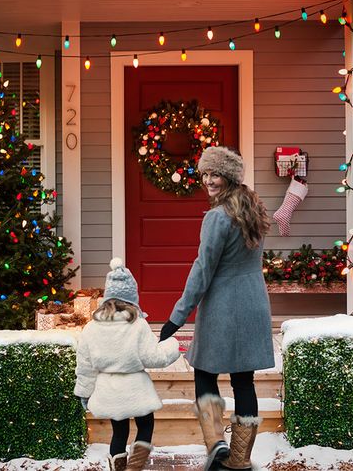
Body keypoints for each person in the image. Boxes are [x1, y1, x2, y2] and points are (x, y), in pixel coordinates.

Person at [160, 146, 275, 471]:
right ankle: (239, 459)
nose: (209, 180)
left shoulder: (217, 217)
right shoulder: (253, 209)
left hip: (225, 307)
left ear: (229, 177)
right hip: (253, 301)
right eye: (205, 174)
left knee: (204, 373)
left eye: (215, 174)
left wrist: (176, 316)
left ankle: (217, 447)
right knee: (243, 381)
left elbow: (203, 269)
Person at [75, 257, 180, 471]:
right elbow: (155, 358)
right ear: (133, 298)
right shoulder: (138, 325)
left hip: (109, 390)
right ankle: (135, 466)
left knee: (119, 432)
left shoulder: (91, 328)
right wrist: (172, 346)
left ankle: (118, 467)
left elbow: (85, 366)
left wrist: (84, 392)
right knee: (146, 425)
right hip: (136, 390)